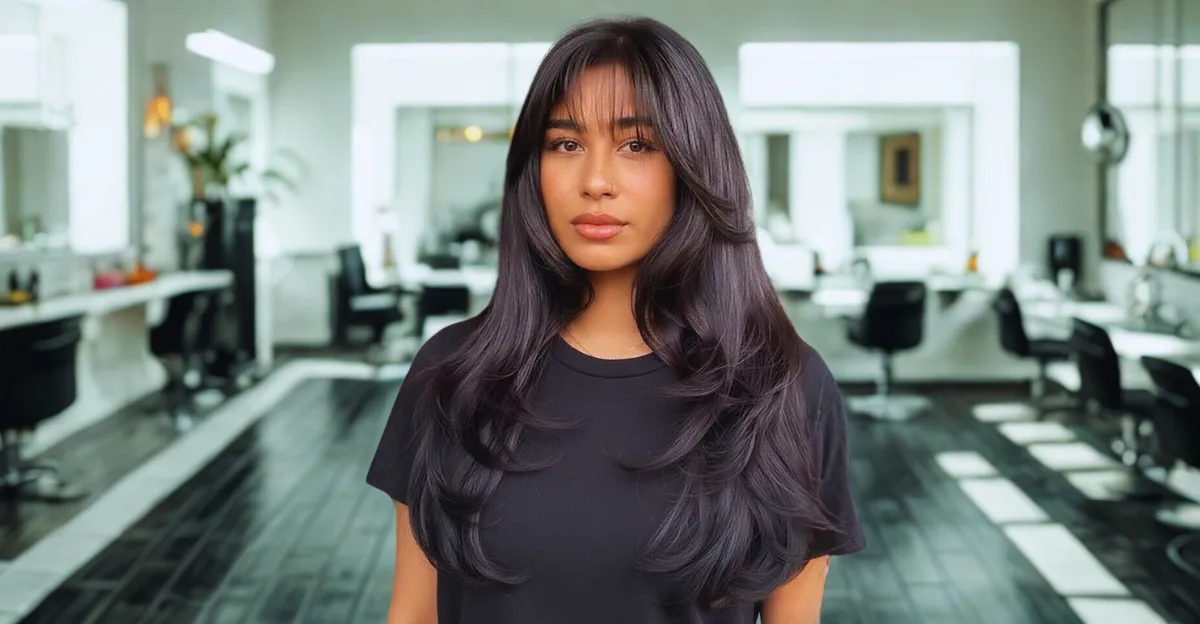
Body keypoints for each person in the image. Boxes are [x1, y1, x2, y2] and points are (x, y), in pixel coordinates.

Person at [367, 16, 865, 624]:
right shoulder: (450, 373)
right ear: (535, 168)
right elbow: (412, 615)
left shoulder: (785, 386)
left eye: (637, 144)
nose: (595, 181)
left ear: (694, 166)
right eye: (566, 144)